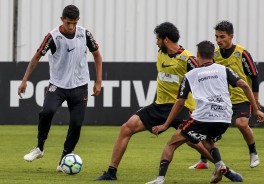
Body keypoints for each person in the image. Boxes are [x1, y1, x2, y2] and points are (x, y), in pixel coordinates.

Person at [96, 22, 242, 182]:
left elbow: (203, 80)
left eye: (158, 39)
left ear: (166, 39)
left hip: (180, 108)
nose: (156, 42)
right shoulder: (161, 53)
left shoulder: (188, 59)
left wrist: (199, 108)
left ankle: (224, 170)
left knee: (195, 142)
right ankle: (111, 172)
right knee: (126, 128)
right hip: (159, 106)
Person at [146, 40, 264, 184]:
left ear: (197, 55)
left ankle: (160, 179)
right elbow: (245, 85)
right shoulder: (223, 69)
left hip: (203, 118)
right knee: (208, 139)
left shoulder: (191, 75)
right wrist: (256, 110)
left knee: (172, 143)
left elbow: (179, 102)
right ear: (212, 55)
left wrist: (165, 125)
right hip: (224, 119)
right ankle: (220, 165)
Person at [18, 5, 102, 171]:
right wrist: (24, 80)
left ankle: (64, 158)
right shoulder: (53, 37)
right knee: (46, 112)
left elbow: (97, 56)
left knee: (77, 124)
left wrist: (98, 82)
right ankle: (39, 148)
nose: (71, 26)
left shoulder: (84, 34)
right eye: (68, 23)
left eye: (74, 23)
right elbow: (36, 58)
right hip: (58, 85)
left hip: (80, 86)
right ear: (62, 19)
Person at [190, 20, 262, 170]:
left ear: (231, 36)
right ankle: (204, 160)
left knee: (241, 124)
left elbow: (254, 76)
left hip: (241, 98)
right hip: (221, 100)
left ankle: (253, 153)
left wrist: (255, 101)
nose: (218, 40)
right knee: (208, 130)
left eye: (222, 37)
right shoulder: (214, 54)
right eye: (217, 37)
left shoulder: (242, 54)